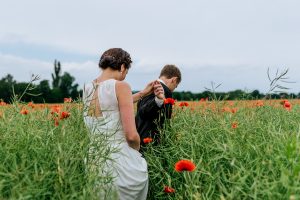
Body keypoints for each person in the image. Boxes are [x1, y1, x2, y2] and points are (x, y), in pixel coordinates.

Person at [82, 48, 161, 200]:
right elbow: (131, 136)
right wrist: (136, 153)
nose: (124, 76)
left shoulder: (87, 88)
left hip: (95, 157)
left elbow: (110, 105)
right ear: (123, 66)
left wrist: (143, 93)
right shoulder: (121, 86)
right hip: (119, 160)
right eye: (126, 72)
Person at [135, 64, 182, 148]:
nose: (174, 89)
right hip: (153, 144)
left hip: (140, 139)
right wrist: (158, 101)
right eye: (176, 86)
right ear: (174, 79)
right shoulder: (164, 90)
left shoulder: (148, 88)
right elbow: (144, 112)